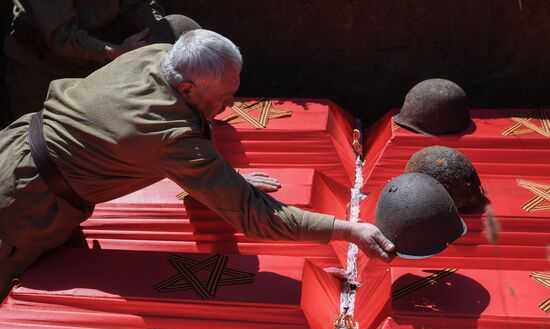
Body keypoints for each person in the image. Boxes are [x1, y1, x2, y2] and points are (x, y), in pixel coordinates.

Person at [0, 29, 395, 297]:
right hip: (23, 207)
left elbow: (154, 133)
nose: (228, 108)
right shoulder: (173, 140)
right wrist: (348, 230)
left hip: (11, 143)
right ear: (187, 88)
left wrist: (221, 177)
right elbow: (257, 217)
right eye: (224, 99)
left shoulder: (156, 56)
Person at [3, 0, 199, 124]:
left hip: (92, 63)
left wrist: (160, 30)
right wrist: (114, 51)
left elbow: (138, 4)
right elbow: (61, 38)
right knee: (37, 144)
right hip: (40, 69)